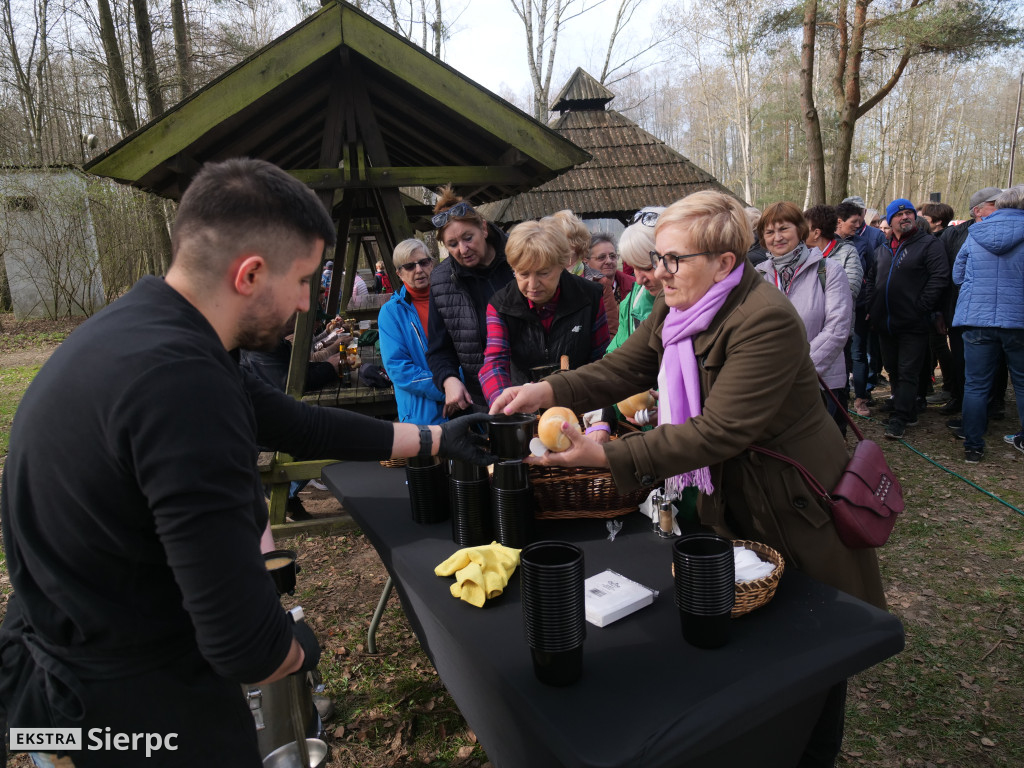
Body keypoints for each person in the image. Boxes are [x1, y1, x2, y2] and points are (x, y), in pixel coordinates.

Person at [0, 159, 493, 768]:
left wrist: (435, 440)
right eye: (305, 279)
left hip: (75, 653)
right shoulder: (182, 386)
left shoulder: (158, 326)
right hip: (122, 705)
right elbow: (246, 646)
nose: (309, 300)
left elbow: (294, 421)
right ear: (250, 274)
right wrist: (297, 647)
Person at [491, 190, 885, 767]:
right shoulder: (682, 303)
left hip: (794, 505)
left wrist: (606, 459)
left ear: (725, 262)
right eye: (656, 258)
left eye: (673, 259)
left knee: (812, 647)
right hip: (733, 493)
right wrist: (551, 390)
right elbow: (628, 363)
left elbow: (717, 432)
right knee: (753, 638)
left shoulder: (766, 320)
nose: (656, 273)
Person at [478, 219, 608, 407]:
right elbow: (494, 362)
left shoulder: (590, 297)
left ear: (562, 264)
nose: (532, 285)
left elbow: (601, 359)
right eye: (523, 274)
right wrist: (503, 401)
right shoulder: (500, 306)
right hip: (524, 408)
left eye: (543, 273)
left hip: (580, 404)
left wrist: (599, 413)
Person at [757, 202, 853, 432]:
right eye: (769, 232)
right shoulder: (758, 275)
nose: (777, 237)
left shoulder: (829, 270)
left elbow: (837, 329)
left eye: (784, 229)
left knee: (814, 450)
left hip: (818, 382)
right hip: (771, 383)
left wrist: (799, 371)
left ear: (800, 230)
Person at [951, 185, 1024, 462]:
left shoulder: (975, 233)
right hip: (1018, 320)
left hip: (977, 319)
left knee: (976, 385)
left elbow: (958, 275)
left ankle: (973, 445)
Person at [426, 185, 514, 412]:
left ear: (483, 228)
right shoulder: (441, 281)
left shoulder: (519, 258)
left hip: (532, 384)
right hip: (483, 397)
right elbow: (439, 349)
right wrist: (449, 379)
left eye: (468, 238)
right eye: (452, 244)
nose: (463, 249)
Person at [867, 198, 948, 439]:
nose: (905, 218)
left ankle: (900, 418)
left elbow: (939, 278)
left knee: (907, 370)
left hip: (914, 322)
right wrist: (872, 306)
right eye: (899, 215)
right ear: (889, 221)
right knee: (891, 367)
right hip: (885, 322)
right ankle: (905, 405)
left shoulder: (929, 245)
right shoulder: (882, 248)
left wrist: (921, 307)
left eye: (909, 214)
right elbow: (872, 279)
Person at [939, 186, 1007, 418]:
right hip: (959, 310)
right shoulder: (954, 234)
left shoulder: (1008, 231)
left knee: (997, 360)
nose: (1001, 207)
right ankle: (959, 398)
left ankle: (995, 402)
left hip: (997, 311)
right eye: (995, 203)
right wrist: (941, 312)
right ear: (977, 210)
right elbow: (945, 274)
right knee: (960, 357)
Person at [378, 238, 445, 425]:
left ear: (431, 264)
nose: (419, 270)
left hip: (466, 404)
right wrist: (446, 388)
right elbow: (398, 368)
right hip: (422, 414)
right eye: (409, 266)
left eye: (424, 262)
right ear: (399, 273)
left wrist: (460, 385)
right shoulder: (391, 313)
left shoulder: (449, 300)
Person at [584, 232, 635, 338]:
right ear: (586, 261)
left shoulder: (634, 285)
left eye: (612, 256)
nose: (609, 261)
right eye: (601, 257)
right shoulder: (582, 290)